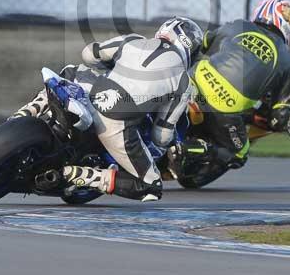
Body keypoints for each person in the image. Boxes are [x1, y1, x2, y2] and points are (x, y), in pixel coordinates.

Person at [13, 17, 203, 202]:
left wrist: (107, 65)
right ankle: (72, 173)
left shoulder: (133, 40)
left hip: (90, 92)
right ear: (191, 51)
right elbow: (160, 136)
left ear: (164, 30)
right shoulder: (184, 84)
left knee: (69, 72)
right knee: (150, 186)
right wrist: (166, 143)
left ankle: (21, 116)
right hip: (116, 123)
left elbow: (89, 53)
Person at [169, 0, 290, 176]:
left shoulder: (238, 26)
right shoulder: (289, 63)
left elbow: (202, 43)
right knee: (239, 153)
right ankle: (187, 150)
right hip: (224, 107)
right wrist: (279, 124)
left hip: (195, 79)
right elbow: (280, 113)